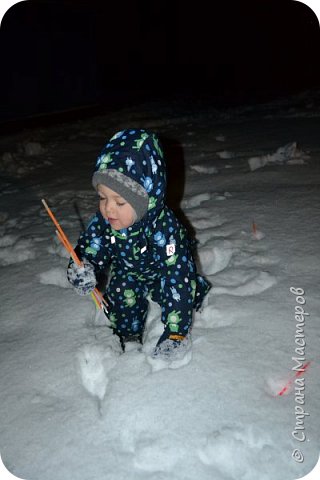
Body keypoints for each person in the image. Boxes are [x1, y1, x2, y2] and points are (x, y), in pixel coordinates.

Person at [67, 128, 211, 357]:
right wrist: (84, 265)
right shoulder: (106, 220)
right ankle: (128, 333)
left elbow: (176, 275)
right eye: (103, 198)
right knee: (121, 294)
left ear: (145, 201)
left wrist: (176, 333)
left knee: (179, 291)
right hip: (129, 271)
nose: (108, 208)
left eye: (120, 202)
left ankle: (192, 301)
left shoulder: (164, 229)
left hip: (162, 273)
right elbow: (92, 244)